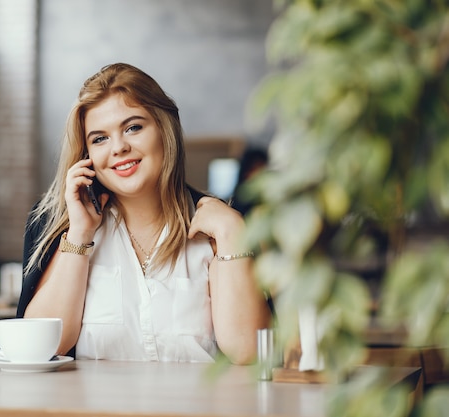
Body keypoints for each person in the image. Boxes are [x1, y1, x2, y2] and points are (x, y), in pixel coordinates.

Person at [16, 63, 271, 364]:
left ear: (165, 129)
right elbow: (39, 349)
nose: (119, 147)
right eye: (100, 138)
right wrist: (79, 236)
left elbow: (251, 356)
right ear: (87, 156)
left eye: (133, 127)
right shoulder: (56, 227)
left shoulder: (220, 228)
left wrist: (232, 235)